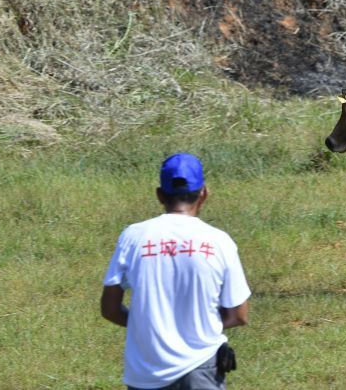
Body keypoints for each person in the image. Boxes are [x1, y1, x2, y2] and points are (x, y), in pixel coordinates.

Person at [102, 153, 251, 389]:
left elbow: (109, 308)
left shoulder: (133, 237)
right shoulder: (219, 241)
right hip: (202, 370)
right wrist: (196, 325)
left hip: (146, 371)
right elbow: (239, 315)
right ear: (204, 194)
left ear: (160, 194)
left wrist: (149, 325)